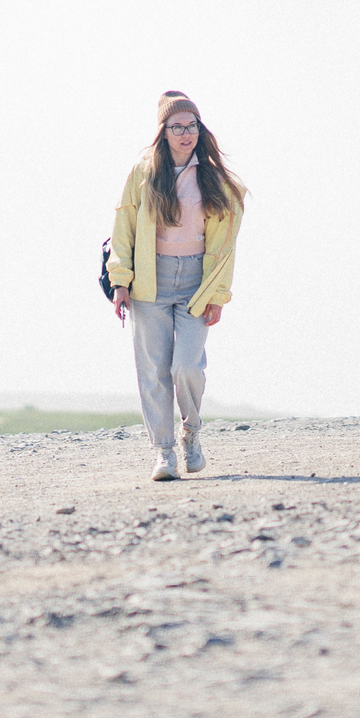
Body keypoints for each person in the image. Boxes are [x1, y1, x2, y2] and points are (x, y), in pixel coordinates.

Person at [107, 91, 246, 481]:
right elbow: (124, 229)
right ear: (163, 132)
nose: (186, 134)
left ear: (200, 130)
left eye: (191, 126)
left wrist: (218, 295)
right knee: (153, 371)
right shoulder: (144, 172)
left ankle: (191, 433)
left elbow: (225, 247)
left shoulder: (214, 178)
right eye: (177, 127)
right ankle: (164, 453)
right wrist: (120, 280)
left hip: (195, 284)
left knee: (186, 367)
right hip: (149, 282)